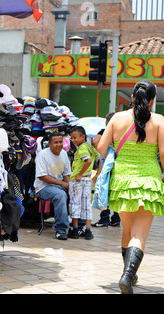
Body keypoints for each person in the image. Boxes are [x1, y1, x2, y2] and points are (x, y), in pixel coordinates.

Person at [97, 79, 164, 294]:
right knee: (139, 235)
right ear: (152, 100)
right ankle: (128, 275)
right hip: (149, 182)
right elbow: (163, 154)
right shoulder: (160, 121)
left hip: (122, 180)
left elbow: (100, 146)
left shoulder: (117, 118)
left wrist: (116, 157)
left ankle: (129, 274)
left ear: (133, 97)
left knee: (127, 230)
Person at [34, 132, 72, 240]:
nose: (59, 144)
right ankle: (61, 230)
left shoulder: (64, 154)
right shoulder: (42, 154)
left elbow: (66, 174)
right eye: (56, 142)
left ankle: (77, 226)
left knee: (77, 193)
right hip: (43, 187)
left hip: (59, 185)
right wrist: (62, 184)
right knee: (60, 195)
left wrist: (70, 187)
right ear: (49, 144)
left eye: (60, 142)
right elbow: (42, 176)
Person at [68, 126, 100, 240]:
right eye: (71, 138)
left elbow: (89, 160)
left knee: (75, 204)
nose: (73, 140)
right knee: (86, 205)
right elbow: (98, 158)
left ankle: (75, 230)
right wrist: (95, 173)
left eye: (75, 138)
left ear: (83, 137)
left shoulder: (82, 148)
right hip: (87, 179)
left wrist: (80, 174)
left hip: (78, 180)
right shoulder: (89, 147)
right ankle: (87, 230)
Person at [91, 112, 121, 227]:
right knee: (116, 191)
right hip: (120, 166)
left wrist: (103, 151)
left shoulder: (105, 131)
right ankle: (116, 219)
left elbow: (94, 141)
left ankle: (104, 219)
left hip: (107, 164)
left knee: (105, 190)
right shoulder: (122, 132)